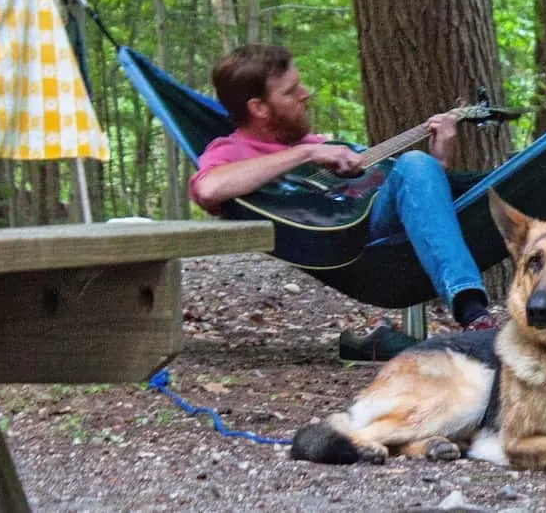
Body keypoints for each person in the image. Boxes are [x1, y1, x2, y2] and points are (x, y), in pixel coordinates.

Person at [189, 44, 495, 358]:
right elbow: (210, 189)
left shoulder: (328, 145)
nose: (305, 94)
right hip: (350, 251)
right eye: (291, 92)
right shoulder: (231, 150)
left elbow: (410, 192)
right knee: (415, 162)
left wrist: (438, 163)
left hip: (386, 232)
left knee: (417, 162)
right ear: (259, 108)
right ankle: (474, 315)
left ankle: (473, 313)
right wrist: (307, 153)